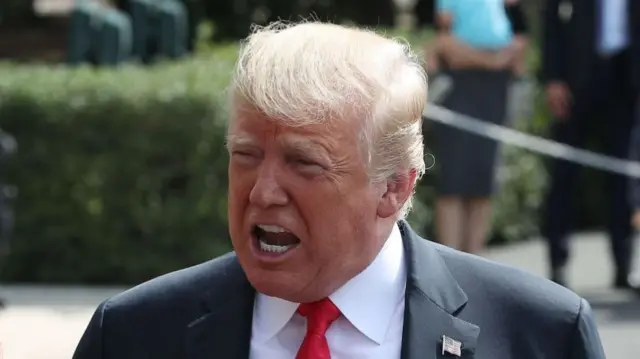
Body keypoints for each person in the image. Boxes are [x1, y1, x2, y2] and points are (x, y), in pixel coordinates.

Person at [72, 21, 606, 359]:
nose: (262, 192)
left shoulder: (541, 335)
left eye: (304, 163)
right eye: (246, 156)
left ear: (394, 189)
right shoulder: (133, 336)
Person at [540, 0, 640, 291]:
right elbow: (551, 20)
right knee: (564, 174)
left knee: (624, 178)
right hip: (576, 78)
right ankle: (557, 264)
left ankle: (624, 265)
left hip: (625, 79)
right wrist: (553, 78)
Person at [426, 0, 516, 254]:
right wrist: (493, 61)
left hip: (495, 89)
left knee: (482, 182)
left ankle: (475, 261)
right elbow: (447, 47)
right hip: (462, 87)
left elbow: (515, 44)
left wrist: (496, 60)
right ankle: (450, 262)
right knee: (454, 181)